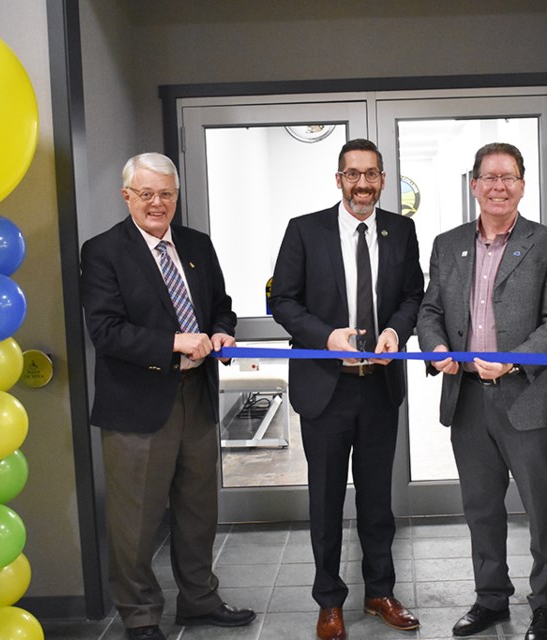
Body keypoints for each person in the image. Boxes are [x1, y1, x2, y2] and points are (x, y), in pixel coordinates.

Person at [80, 153, 255, 640]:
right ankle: (139, 615)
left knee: (199, 510)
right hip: (137, 406)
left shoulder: (197, 244)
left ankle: (199, 600)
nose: (158, 203)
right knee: (134, 519)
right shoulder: (103, 251)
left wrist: (221, 332)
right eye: (147, 194)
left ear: (177, 196)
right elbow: (106, 331)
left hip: (196, 396)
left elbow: (221, 307)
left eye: (166, 194)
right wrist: (174, 342)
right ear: (127, 196)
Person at [416, 142, 547, 640]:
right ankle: (490, 599)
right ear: (474, 185)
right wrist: (436, 344)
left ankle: (546, 605)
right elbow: (430, 311)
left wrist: (514, 359)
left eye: (508, 177)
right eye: (489, 178)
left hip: (526, 398)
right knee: (480, 507)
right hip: (466, 399)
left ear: (523, 186)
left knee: (542, 508)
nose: (499, 187)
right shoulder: (448, 243)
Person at [270, 138, 425, 640]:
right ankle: (329, 601)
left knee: (378, 501)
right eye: (353, 174)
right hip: (326, 389)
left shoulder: (401, 230)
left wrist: (396, 332)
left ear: (383, 179)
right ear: (338, 180)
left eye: (372, 174)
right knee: (326, 502)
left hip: (379, 387)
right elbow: (284, 302)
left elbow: (413, 294)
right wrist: (325, 337)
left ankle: (380, 592)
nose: (363, 183)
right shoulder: (304, 230)